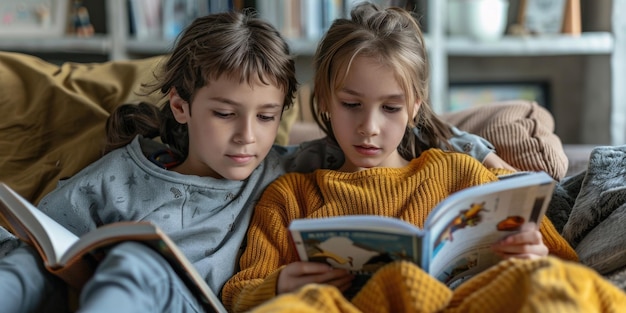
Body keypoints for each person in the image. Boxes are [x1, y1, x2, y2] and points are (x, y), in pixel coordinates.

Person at [0, 9, 510, 313]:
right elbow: (40, 233)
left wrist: (487, 158)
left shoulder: (286, 169)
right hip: (96, 294)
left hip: (188, 303)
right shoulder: (118, 178)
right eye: (224, 114)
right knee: (24, 264)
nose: (247, 138)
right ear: (181, 105)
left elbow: (394, 140)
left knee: (136, 261)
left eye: (267, 117)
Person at [221, 3, 625, 312]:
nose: (370, 127)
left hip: (461, 304)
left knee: (554, 283)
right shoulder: (290, 197)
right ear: (324, 100)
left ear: (416, 106)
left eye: (391, 108)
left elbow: (566, 264)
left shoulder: (459, 172)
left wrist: (534, 251)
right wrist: (278, 285)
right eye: (351, 104)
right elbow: (239, 292)